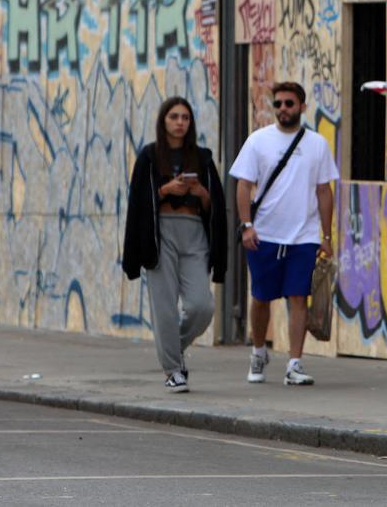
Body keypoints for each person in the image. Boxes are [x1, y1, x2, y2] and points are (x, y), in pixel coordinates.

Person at [230, 81, 337, 386]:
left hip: (303, 236)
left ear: (302, 107)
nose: (283, 109)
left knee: (298, 298)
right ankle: (259, 350)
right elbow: (243, 184)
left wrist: (326, 237)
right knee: (261, 297)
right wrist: (246, 225)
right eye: (278, 104)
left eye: (289, 103)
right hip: (265, 234)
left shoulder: (317, 144)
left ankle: (294, 363)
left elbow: (324, 191)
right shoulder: (258, 141)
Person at [123, 96, 227, 393]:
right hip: (161, 236)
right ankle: (172, 369)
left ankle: (173, 347)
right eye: (174, 117)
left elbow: (214, 204)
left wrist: (200, 192)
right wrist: (165, 190)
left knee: (201, 306)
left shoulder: (203, 158)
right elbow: (138, 203)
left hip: (195, 234)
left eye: (185, 117)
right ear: (163, 121)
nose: (180, 122)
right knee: (165, 309)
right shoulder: (150, 156)